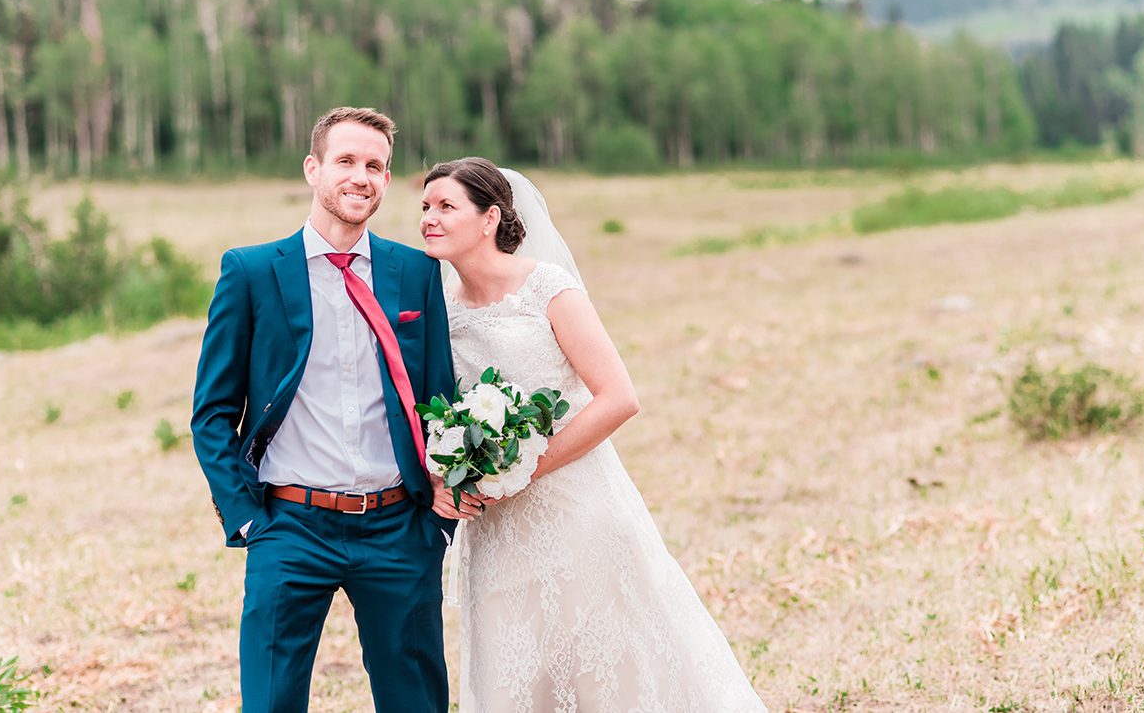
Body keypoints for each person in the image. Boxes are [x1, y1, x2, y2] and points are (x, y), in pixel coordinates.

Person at [419, 157, 767, 712]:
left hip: (577, 504)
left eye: (445, 206)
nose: (429, 219)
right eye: (425, 207)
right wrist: (450, 470)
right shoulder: (437, 309)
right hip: (497, 523)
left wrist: (524, 468)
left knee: (605, 656)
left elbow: (619, 397)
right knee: (518, 657)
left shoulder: (546, 289)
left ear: (488, 219)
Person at [192, 107, 468, 713]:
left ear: (388, 180)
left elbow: (440, 399)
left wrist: (438, 516)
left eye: (376, 165)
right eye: (345, 161)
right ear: (313, 169)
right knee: (269, 703)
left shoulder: (416, 272)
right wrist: (247, 519)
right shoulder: (252, 271)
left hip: (399, 528)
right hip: (288, 527)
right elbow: (212, 414)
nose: (361, 177)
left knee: (417, 702)